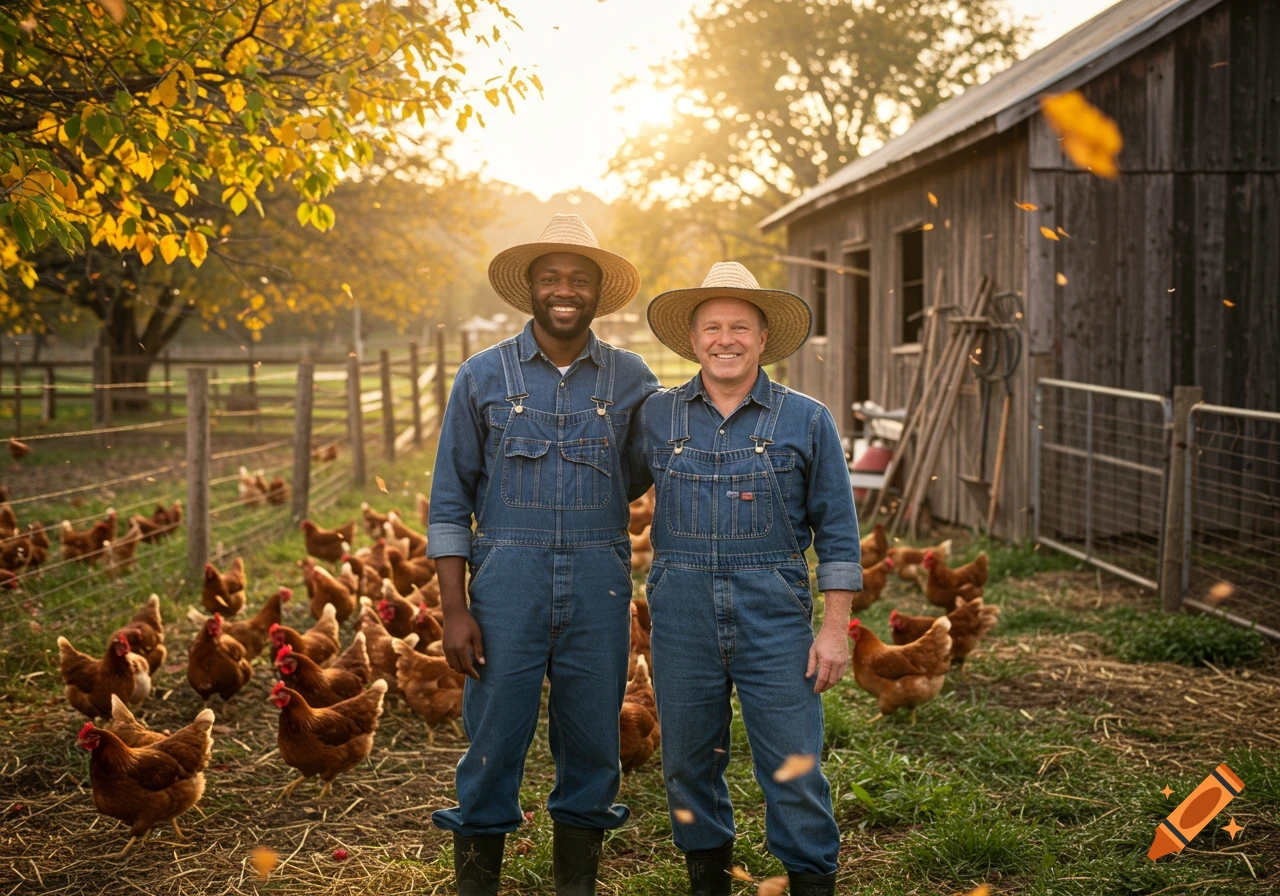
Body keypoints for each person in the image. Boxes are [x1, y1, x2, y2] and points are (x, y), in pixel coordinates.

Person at [427, 215, 661, 896]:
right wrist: (454, 609)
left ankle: (575, 887)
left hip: (599, 585)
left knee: (594, 744)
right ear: (530, 288)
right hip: (505, 587)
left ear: (597, 293)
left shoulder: (630, 378)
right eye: (552, 278)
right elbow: (449, 502)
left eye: (579, 280)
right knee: (493, 742)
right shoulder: (482, 376)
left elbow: (642, 473)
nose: (566, 290)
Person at [627, 262, 862, 896]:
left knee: (794, 765)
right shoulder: (656, 417)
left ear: (763, 339)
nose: (724, 338)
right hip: (681, 615)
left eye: (739, 326)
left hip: (774, 613)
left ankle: (810, 879)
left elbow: (839, 533)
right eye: (712, 327)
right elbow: (605, 493)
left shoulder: (806, 419)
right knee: (687, 764)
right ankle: (711, 880)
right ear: (693, 340)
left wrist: (835, 629)